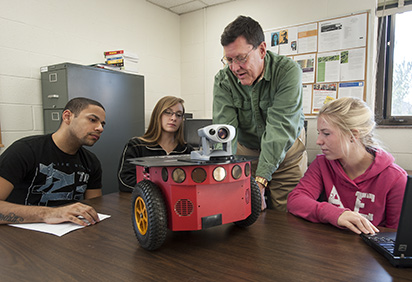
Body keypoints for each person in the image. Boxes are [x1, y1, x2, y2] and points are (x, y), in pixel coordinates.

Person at [213, 15, 307, 212]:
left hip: (287, 156)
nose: (235, 68)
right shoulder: (223, 80)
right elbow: (225, 131)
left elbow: (279, 129)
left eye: (241, 58)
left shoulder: (287, 72)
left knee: (287, 216)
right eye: (229, 60)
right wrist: (223, 174)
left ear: (262, 50)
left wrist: (261, 181)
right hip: (247, 155)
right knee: (247, 213)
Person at [287, 97, 407, 234]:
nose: (318, 141)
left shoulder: (395, 178)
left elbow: (395, 235)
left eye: (326, 133)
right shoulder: (322, 164)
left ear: (353, 135)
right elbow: (295, 200)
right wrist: (336, 214)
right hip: (328, 246)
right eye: (319, 133)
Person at [0, 97, 106, 226]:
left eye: (102, 124)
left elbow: (94, 208)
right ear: (67, 117)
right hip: (22, 238)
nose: (100, 128)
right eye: (92, 120)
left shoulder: (91, 161)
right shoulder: (25, 150)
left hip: (69, 234)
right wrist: (50, 213)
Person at [118, 96, 193, 192]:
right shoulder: (137, 146)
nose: (173, 118)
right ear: (158, 114)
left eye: (178, 115)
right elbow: (125, 181)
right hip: (145, 203)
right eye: (168, 112)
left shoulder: (187, 151)